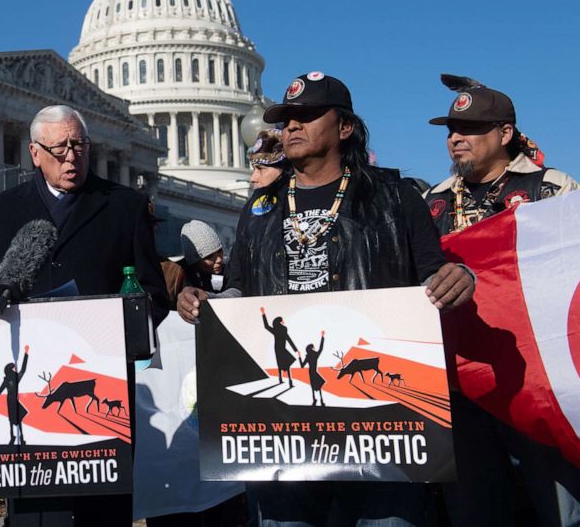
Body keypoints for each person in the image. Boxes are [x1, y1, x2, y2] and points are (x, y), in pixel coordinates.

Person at [178, 71, 474, 527]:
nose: (291, 126)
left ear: (344, 127)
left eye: (308, 116)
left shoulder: (396, 199)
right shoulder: (259, 209)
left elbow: (434, 275)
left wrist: (459, 277)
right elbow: (239, 289)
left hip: (380, 431)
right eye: (287, 118)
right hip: (284, 432)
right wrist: (201, 303)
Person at [0, 104, 169, 525]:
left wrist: (122, 319)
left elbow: (154, 292)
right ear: (35, 153)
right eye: (60, 148)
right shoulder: (2, 210)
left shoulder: (124, 205)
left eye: (79, 146)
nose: (72, 157)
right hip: (32, 391)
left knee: (105, 514)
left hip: (102, 383)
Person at [423, 75, 580, 527]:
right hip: (459, 385)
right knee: (475, 511)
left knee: (560, 510)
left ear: (504, 133)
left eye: (469, 128)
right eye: (451, 130)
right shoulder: (430, 203)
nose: (456, 139)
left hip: (534, 384)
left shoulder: (552, 191)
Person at [178, 220, 224, 292]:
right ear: (195, 262)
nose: (219, 259)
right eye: (209, 256)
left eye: (220, 251)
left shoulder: (228, 271)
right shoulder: (180, 278)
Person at [261, 308, 297, 387]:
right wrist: (295, 349)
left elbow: (266, 326)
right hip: (281, 349)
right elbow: (288, 339)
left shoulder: (277, 330)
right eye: (282, 320)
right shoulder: (283, 330)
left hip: (278, 348)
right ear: (280, 322)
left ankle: (282, 379)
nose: (283, 321)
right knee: (286, 364)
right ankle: (289, 381)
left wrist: (263, 314)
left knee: (281, 364)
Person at [297, 330, 326, 406]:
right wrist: (322, 337)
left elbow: (302, 366)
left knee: (313, 386)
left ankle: (315, 399)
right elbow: (321, 348)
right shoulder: (315, 355)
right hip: (314, 372)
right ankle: (320, 400)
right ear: (312, 348)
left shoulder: (308, 356)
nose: (314, 348)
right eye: (313, 347)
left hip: (311, 372)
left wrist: (299, 357)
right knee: (318, 386)